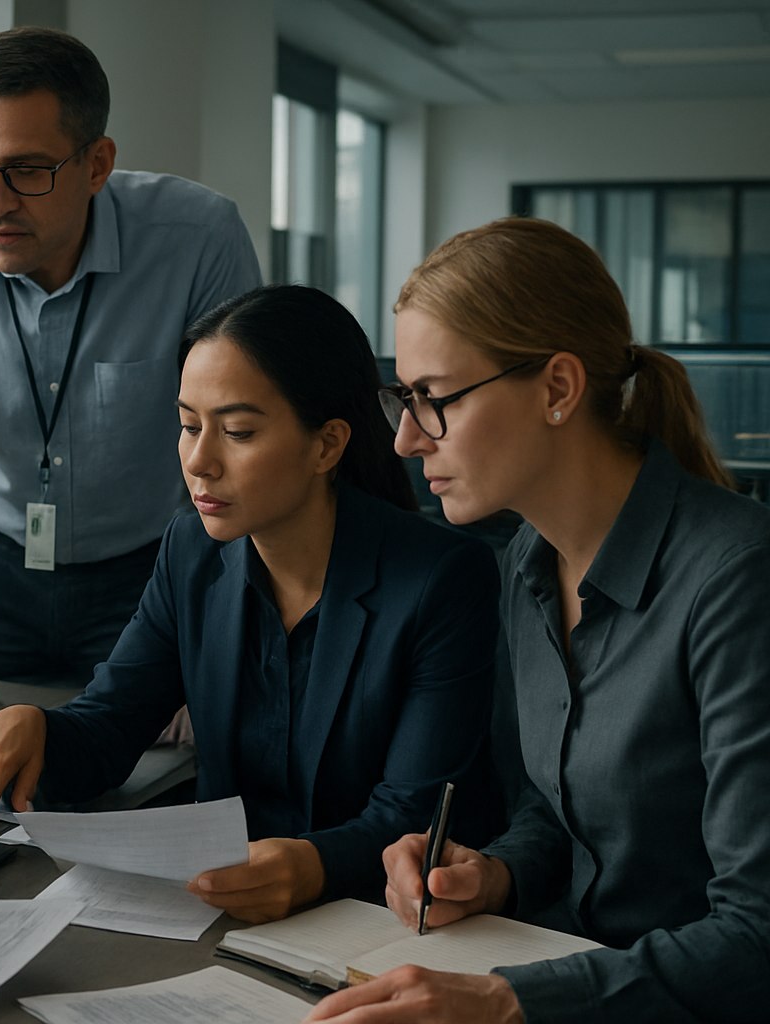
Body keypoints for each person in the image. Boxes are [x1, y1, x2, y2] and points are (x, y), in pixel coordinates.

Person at [307, 218, 770, 1024]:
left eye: (434, 399)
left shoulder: (737, 578)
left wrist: (503, 1001)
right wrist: (495, 873)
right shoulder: (524, 563)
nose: (409, 440)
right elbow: (558, 818)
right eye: (401, 399)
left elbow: (758, 935)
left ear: (558, 389)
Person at [0, 285, 503, 921]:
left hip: (373, 923)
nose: (199, 461)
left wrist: (314, 864)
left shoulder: (442, 577)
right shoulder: (190, 550)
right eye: (188, 426)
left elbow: (414, 815)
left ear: (327, 444)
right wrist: (37, 727)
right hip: (215, 915)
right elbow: (109, 729)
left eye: (236, 432)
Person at [0, 26, 261, 736]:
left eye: (28, 169)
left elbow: (243, 443)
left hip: (153, 566)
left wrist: (214, 619)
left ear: (97, 164)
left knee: (153, 779)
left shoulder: (198, 240)